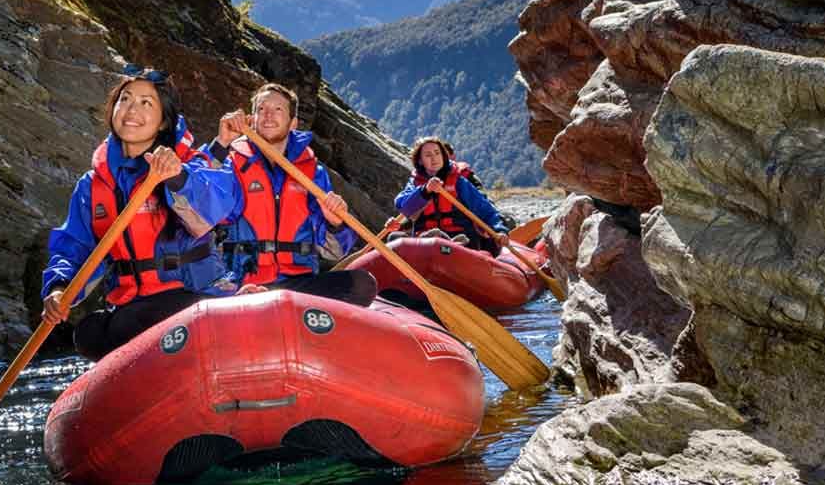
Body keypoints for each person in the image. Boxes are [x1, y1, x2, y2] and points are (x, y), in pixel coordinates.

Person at [40, 66, 240, 360]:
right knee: (89, 334)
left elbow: (217, 209)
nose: (132, 109)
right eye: (125, 100)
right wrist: (58, 288)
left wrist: (177, 178)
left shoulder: (191, 165)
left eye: (147, 103)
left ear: (162, 122)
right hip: (133, 308)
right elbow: (75, 247)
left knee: (152, 316)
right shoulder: (92, 185)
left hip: (196, 297)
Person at [210, 83, 377, 305]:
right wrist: (220, 145)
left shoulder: (313, 174)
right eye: (261, 109)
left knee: (362, 284)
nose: (268, 115)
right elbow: (200, 206)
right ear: (252, 119)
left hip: (299, 283)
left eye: (278, 109)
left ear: (293, 123)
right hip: (245, 283)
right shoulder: (231, 164)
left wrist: (336, 224)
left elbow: (334, 253)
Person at [394, 137, 505, 254]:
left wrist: (499, 230)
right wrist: (425, 190)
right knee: (394, 237)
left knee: (455, 244)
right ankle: (437, 241)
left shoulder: (459, 182)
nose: (434, 158)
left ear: (443, 155)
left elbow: (485, 210)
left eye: (437, 153)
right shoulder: (415, 183)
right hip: (425, 242)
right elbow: (403, 207)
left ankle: (446, 243)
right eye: (428, 155)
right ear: (420, 160)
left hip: (461, 238)